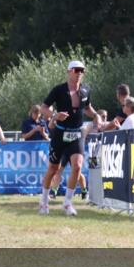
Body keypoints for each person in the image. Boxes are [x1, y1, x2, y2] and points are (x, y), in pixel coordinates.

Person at [39, 60, 104, 216]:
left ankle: (67, 202)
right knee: (53, 169)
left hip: (77, 133)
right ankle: (44, 201)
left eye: (82, 70)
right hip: (60, 133)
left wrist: (96, 115)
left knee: (77, 166)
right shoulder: (59, 90)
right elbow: (43, 108)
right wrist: (55, 115)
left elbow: (87, 108)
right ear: (69, 71)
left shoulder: (86, 90)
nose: (79, 73)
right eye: (76, 70)